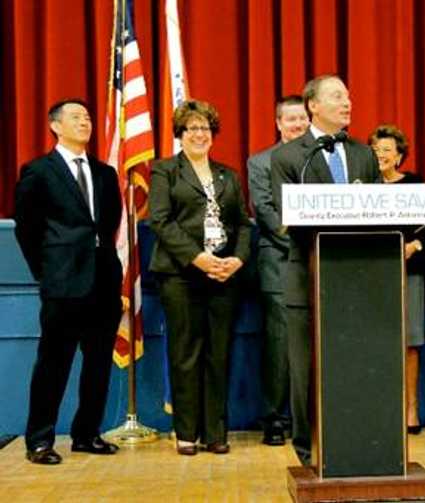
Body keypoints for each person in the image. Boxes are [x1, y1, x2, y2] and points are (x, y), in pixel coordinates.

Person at [270, 75, 381, 464]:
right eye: (337, 96)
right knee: (307, 369)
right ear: (313, 105)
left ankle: (359, 441)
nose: (347, 102)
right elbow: (288, 216)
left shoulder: (364, 154)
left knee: (356, 363)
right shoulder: (288, 157)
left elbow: (381, 211)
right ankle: (309, 450)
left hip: (359, 280)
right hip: (308, 277)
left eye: (348, 96)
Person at [14, 98, 123, 464]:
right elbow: (27, 230)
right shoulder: (38, 171)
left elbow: (109, 226)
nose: (85, 122)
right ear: (55, 126)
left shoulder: (105, 172)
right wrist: (47, 273)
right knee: (53, 363)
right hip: (63, 284)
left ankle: (86, 434)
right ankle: (40, 440)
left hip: (103, 283)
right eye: (76, 117)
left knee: (97, 365)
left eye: (88, 117)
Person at [149, 99, 252, 455]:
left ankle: (215, 433)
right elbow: (160, 220)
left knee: (217, 354)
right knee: (185, 354)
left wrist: (237, 259)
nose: (199, 134)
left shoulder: (228, 175)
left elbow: (242, 223)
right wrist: (197, 259)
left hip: (225, 275)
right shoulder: (165, 171)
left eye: (205, 128)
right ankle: (187, 433)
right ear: (180, 134)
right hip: (180, 274)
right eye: (192, 128)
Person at [247, 95, 309, 445]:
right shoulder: (261, 162)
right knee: (280, 345)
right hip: (281, 262)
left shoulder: (323, 158)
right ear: (278, 123)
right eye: (291, 120)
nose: (297, 125)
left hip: (322, 264)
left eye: (302, 119)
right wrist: (303, 245)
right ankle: (274, 418)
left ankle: (313, 418)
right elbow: (267, 213)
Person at [368, 124, 425, 435]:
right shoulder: (361, 187)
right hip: (370, 273)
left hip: (409, 272)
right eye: (376, 150)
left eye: (386, 150)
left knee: (409, 342)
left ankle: (411, 408)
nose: (380, 155)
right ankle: (377, 407)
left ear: (399, 156)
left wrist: (414, 245)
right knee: (372, 342)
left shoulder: (416, 184)